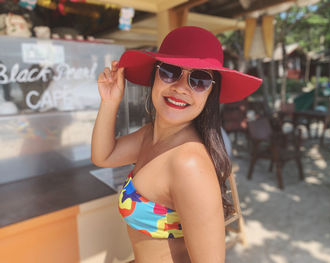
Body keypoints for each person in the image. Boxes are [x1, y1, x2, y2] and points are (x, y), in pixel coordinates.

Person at [91, 26, 261, 263]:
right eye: (170, 71)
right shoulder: (149, 136)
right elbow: (104, 156)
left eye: (199, 80)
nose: (181, 87)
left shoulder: (188, 164)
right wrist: (109, 102)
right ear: (154, 77)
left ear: (211, 93)